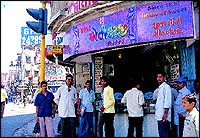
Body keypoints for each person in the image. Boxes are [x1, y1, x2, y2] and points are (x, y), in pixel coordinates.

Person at [153, 71, 172, 137]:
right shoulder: (159, 88)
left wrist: (165, 113)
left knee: (164, 133)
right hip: (159, 115)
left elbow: (167, 101)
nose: (158, 79)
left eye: (160, 77)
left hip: (163, 116)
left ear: (164, 78)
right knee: (161, 133)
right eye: (157, 77)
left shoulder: (166, 87)